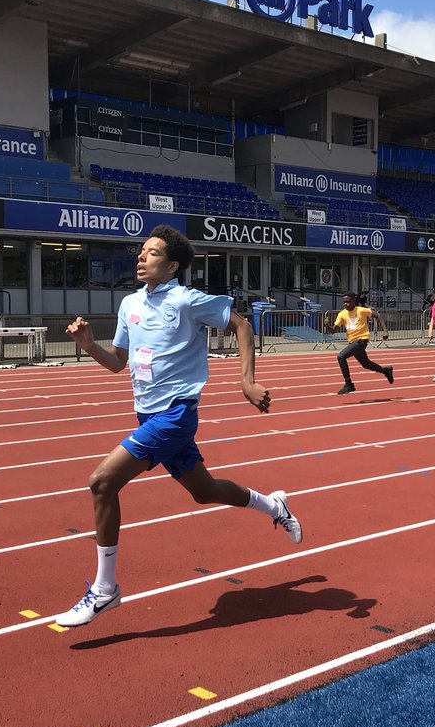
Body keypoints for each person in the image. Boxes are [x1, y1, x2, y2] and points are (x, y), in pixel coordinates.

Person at [56, 225, 302, 628]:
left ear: (171, 266)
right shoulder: (129, 305)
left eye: (151, 253)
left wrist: (246, 381)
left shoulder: (188, 301)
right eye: (141, 251)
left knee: (102, 481)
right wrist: (88, 346)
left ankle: (105, 589)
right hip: (148, 414)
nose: (141, 257)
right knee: (204, 492)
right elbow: (118, 361)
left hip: (176, 414)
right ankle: (274, 505)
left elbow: (242, 325)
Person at [325, 292, 394, 395]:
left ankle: (349, 384)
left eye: (348, 302)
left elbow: (377, 315)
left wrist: (385, 330)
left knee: (341, 356)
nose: (345, 304)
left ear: (353, 301)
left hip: (362, 340)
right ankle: (385, 371)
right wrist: (327, 326)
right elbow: (334, 330)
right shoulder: (342, 314)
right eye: (344, 302)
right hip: (353, 342)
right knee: (366, 364)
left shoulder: (361, 311)